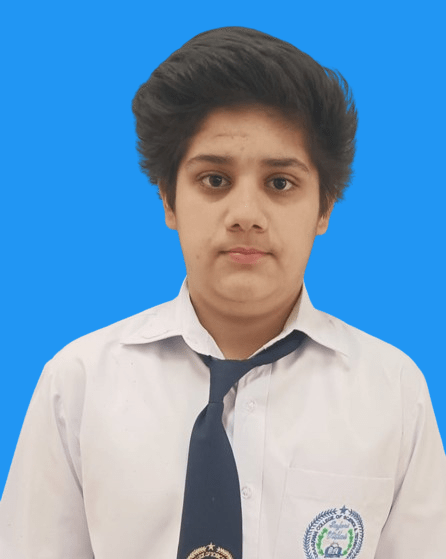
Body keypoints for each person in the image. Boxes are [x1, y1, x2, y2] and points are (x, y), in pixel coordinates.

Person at [0, 26, 445, 559]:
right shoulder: (78, 384)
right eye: (214, 180)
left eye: (280, 183)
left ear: (324, 208)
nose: (246, 216)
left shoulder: (392, 391)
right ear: (169, 200)